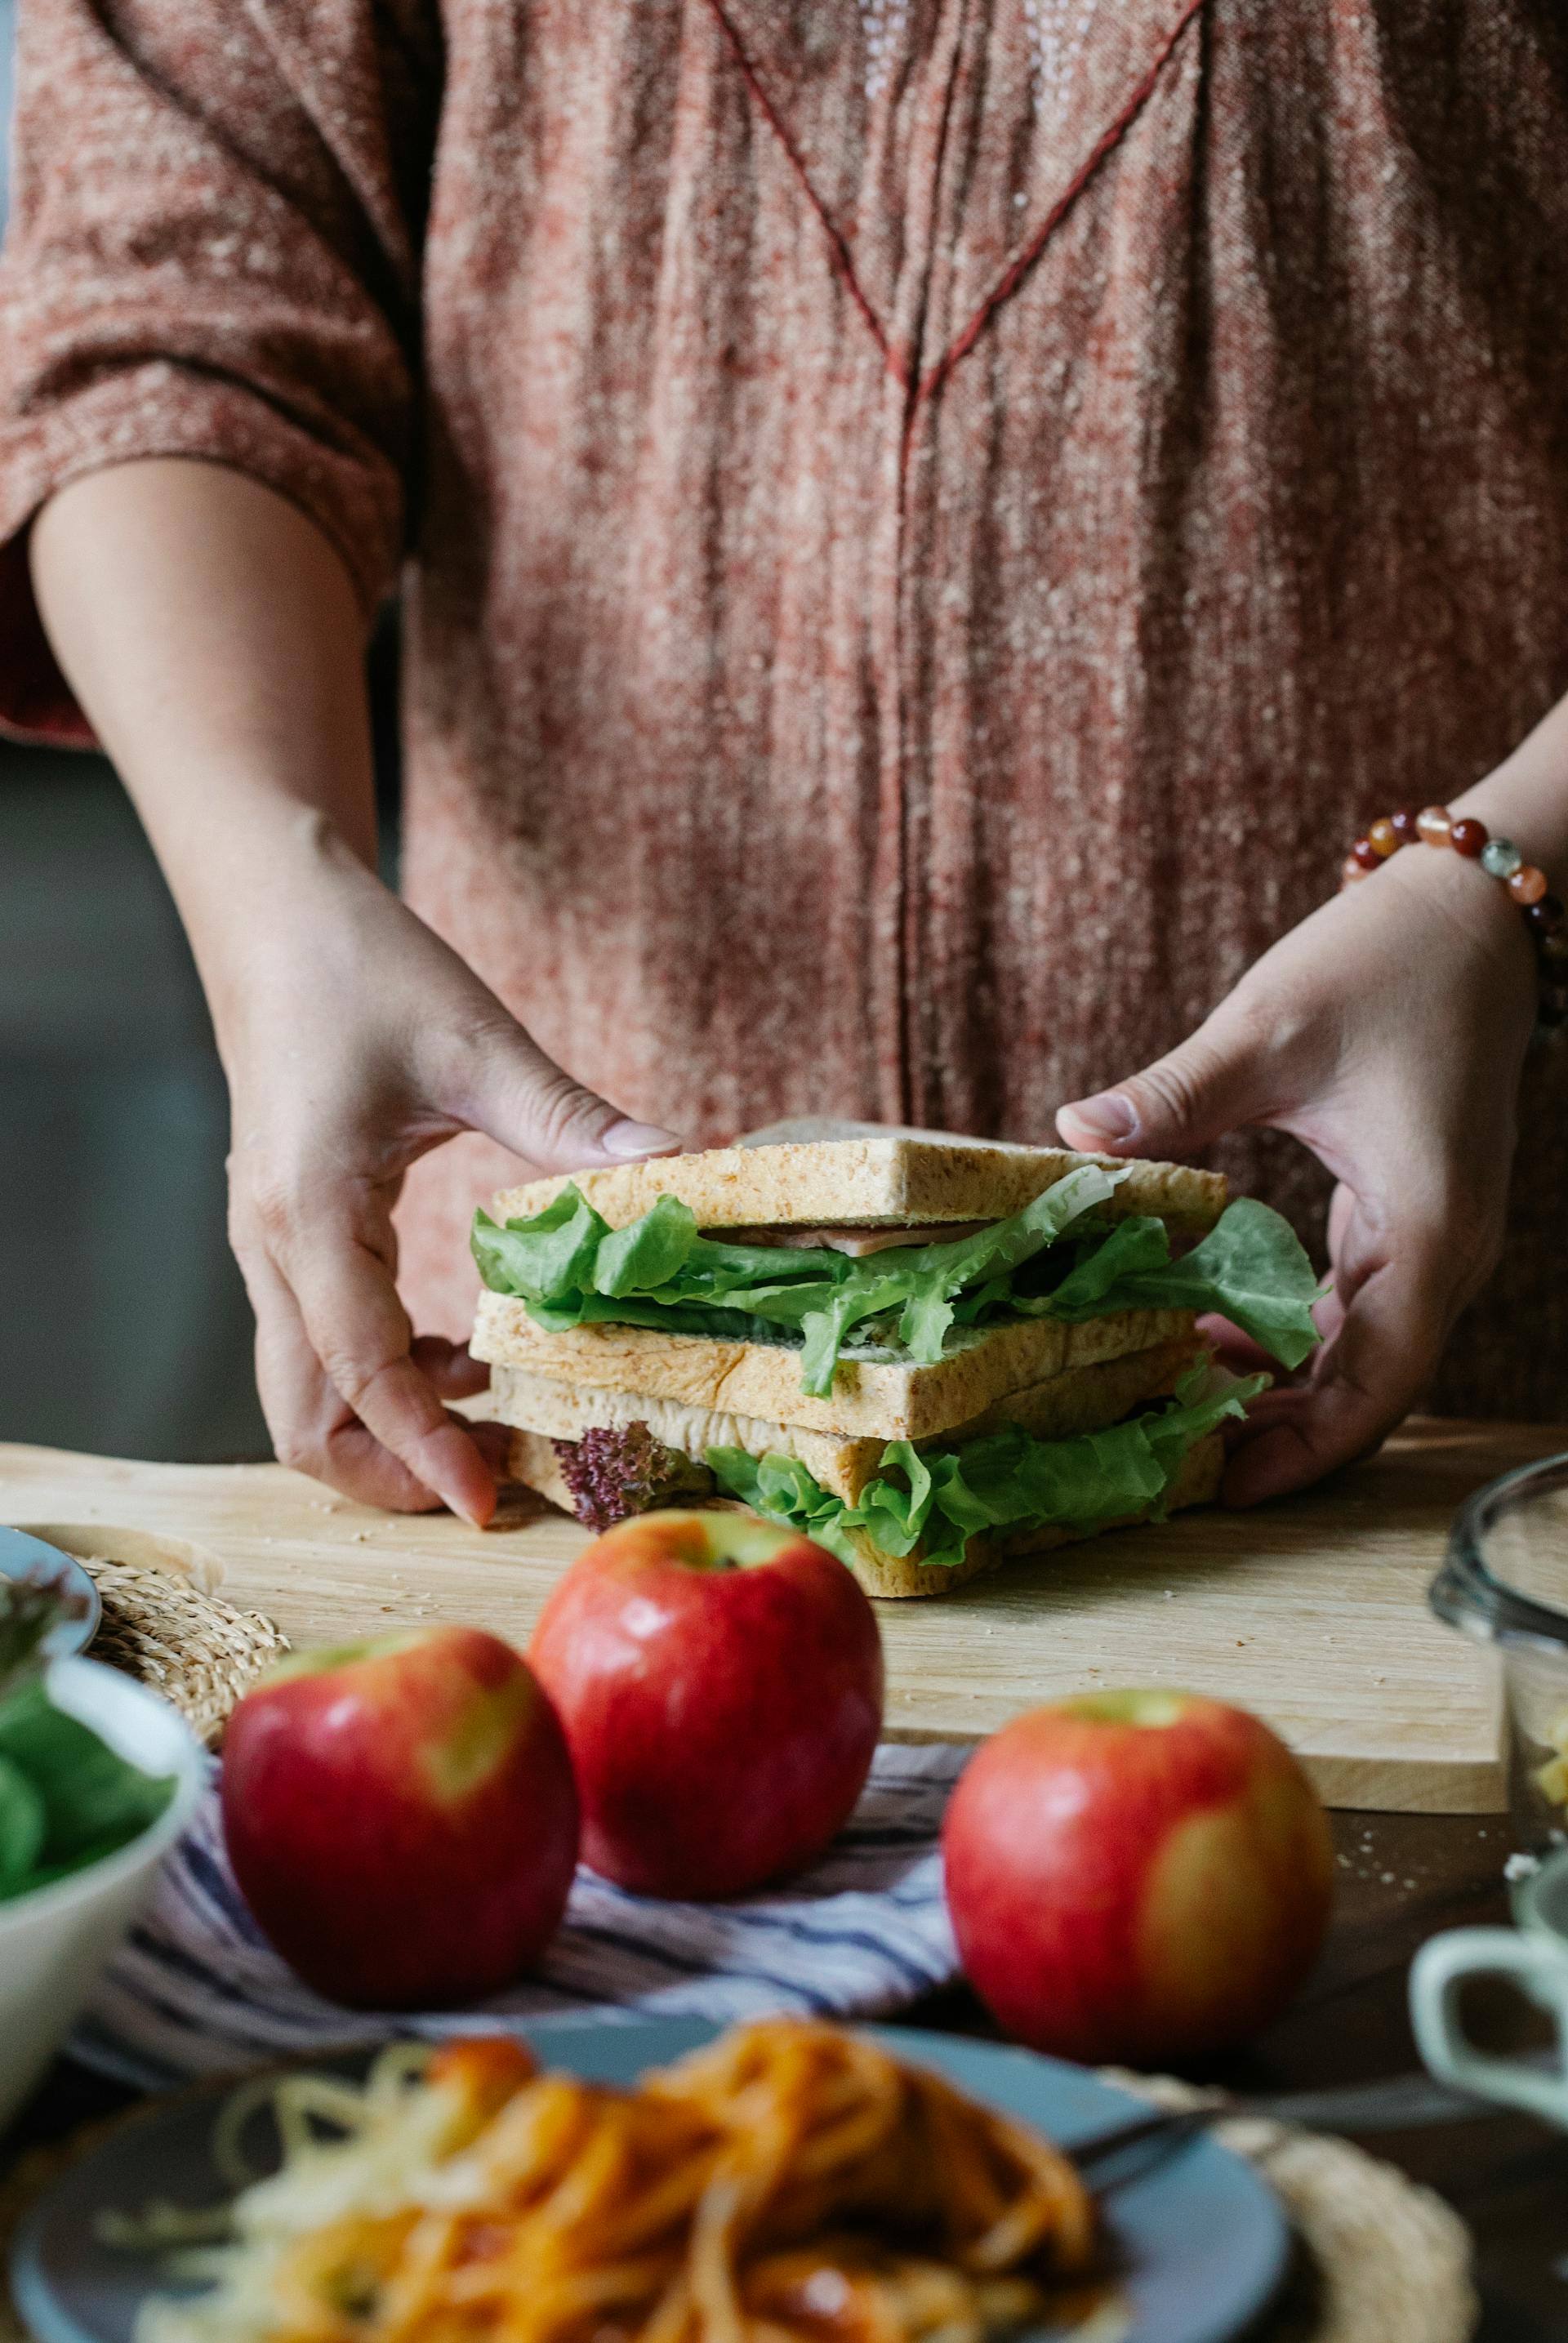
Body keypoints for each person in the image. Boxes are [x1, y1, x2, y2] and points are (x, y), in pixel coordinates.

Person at [2, 2, 1565, 1530]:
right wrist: (274, 894)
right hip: (583, 1481)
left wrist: (1499, 876)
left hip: (1413, 1437)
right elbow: (171, 307)